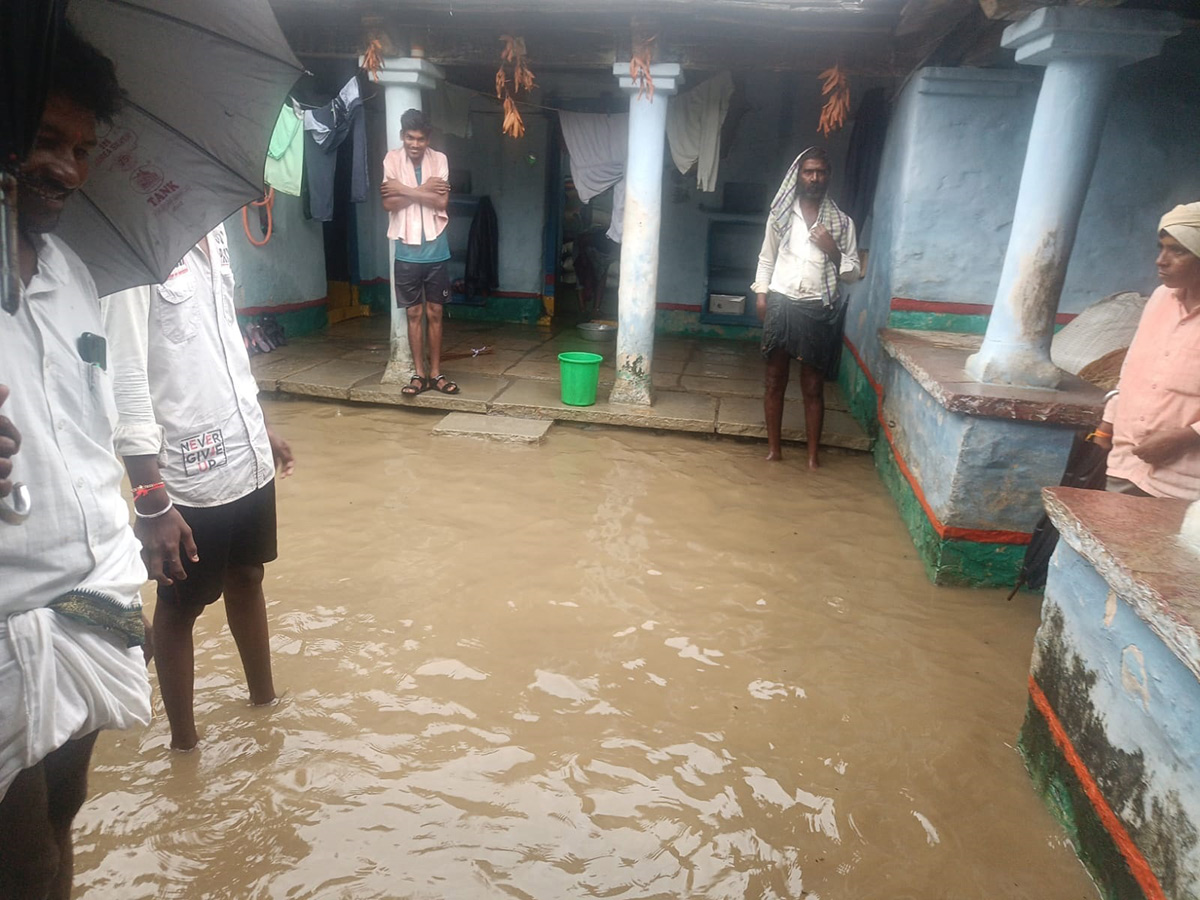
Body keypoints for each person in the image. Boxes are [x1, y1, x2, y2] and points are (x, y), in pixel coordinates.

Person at [0, 26, 152, 898]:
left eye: (82, 148)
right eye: (46, 142)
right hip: (8, 611)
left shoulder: (70, 274)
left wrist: (151, 500)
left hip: (93, 594)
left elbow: (97, 423)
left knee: (64, 814)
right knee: (17, 862)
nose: (68, 169)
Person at [101, 224, 294, 752]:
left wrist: (259, 423)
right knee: (180, 603)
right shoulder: (133, 245)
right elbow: (126, 376)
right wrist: (149, 498)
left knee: (249, 574)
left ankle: (265, 706)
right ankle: (184, 747)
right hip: (184, 468)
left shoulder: (215, 226)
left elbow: (224, 336)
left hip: (242, 448)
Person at [752, 147, 860, 469]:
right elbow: (766, 258)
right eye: (808, 172)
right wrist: (761, 294)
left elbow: (853, 274)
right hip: (781, 301)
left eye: (821, 172)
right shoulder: (781, 216)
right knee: (775, 380)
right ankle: (775, 451)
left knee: (813, 385)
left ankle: (813, 458)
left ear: (829, 176)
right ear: (798, 176)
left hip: (818, 306)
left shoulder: (842, 223)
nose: (814, 178)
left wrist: (833, 251)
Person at [1094, 202, 1200, 500]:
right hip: (1127, 463)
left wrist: (1186, 438)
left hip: (1185, 483)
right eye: (1161, 248)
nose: (1160, 261)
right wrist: (1107, 425)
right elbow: (1132, 369)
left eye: (1178, 251)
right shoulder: (1160, 299)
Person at [380, 108, 459, 396]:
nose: (415, 144)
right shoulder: (391, 159)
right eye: (410, 138)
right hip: (406, 250)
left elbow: (441, 203)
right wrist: (424, 189)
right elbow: (388, 205)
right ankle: (419, 375)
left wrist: (403, 189)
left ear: (428, 139)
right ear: (403, 136)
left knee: (435, 312)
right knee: (413, 314)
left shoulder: (440, 160)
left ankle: (436, 373)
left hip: (436, 248)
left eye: (421, 139)